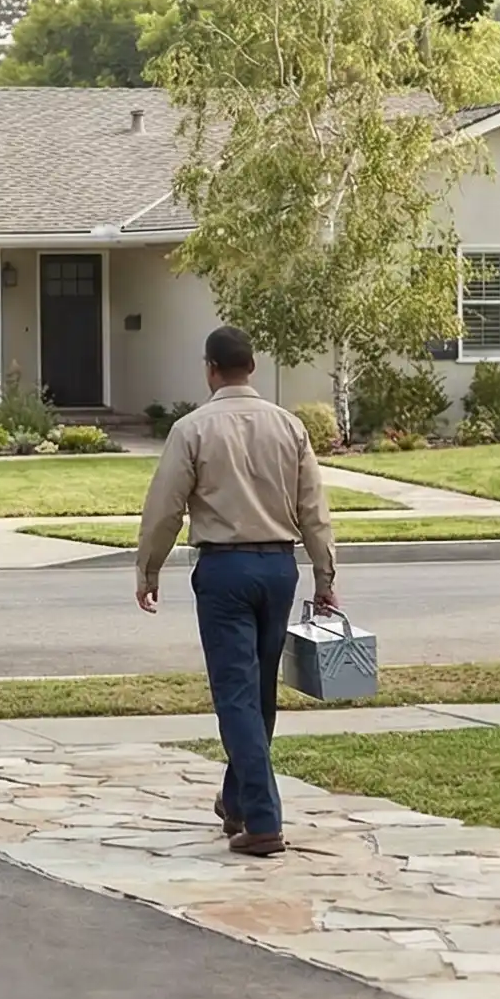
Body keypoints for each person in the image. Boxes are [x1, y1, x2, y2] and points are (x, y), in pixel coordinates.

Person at [132, 325, 339, 857]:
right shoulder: (289, 426)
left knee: (236, 697)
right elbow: (315, 511)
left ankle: (265, 822)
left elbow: (165, 510)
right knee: (259, 692)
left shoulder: (193, 429)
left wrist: (148, 569)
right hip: (279, 567)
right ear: (251, 365)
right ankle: (238, 802)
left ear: (211, 368)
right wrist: (325, 578)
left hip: (224, 571)